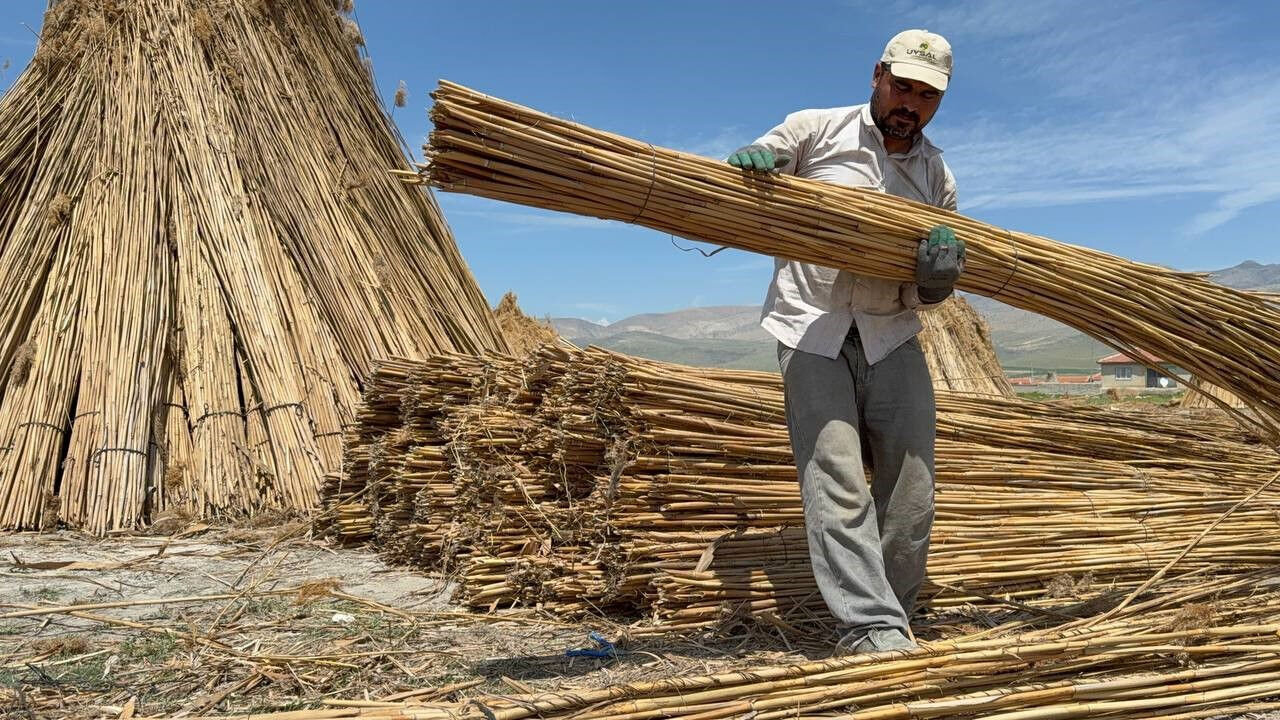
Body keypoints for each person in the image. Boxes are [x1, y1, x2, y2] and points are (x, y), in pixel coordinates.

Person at [726, 29, 965, 654]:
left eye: (927, 95)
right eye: (903, 86)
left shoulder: (936, 176)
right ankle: (870, 627)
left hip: (891, 335)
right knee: (834, 477)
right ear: (878, 76)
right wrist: (753, 160)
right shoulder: (816, 130)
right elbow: (762, 161)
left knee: (912, 489)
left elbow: (924, 288)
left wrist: (934, 285)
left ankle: (893, 611)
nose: (910, 103)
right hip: (813, 329)